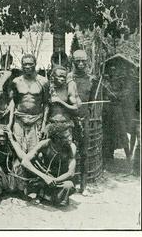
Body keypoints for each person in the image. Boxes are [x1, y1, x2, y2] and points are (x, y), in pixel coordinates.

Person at [21, 122, 76, 206]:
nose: (70, 139)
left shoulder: (71, 147)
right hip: (44, 178)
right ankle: (45, 195)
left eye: (69, 136)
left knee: (69, 186)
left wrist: (54, 180)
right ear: (57, 139)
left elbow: (70, 173)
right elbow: (25, 161)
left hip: (60, 181)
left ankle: (46, 196)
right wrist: (45, 177)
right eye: (66, 137)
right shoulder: (45, 144)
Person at [67, 50, 97, 192]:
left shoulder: (91, 80)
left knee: (84, 152)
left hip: (84, 119)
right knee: (68, 151)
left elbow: (90, 102)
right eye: (77, 61)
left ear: (87, 62)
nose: (80, 64)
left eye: (83, 61)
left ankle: (83, 186)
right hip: (69, 119)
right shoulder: (68, 78)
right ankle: (69, 184)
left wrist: (85, 116)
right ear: (73, 62)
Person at [10, 54, 49, 153]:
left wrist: (44, 125)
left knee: (35, 152)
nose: (27, 67)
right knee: (18, 150)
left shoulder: (43, 81)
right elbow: (13, 102)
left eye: (30, 64)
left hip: (36, 120)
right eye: (25, 64)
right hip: (19, 119)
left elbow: (46, 104)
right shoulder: (16, 81)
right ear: (21, 65)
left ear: (35, 64)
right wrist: (10, 124)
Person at [0, 125, 27, 195]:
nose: (2, 139)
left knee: (19, 162)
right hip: (0, 180)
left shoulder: (10, 145)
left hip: (11, 179)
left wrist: (11, 139)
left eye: (4, 136)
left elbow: (24, 159)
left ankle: (20, 190)